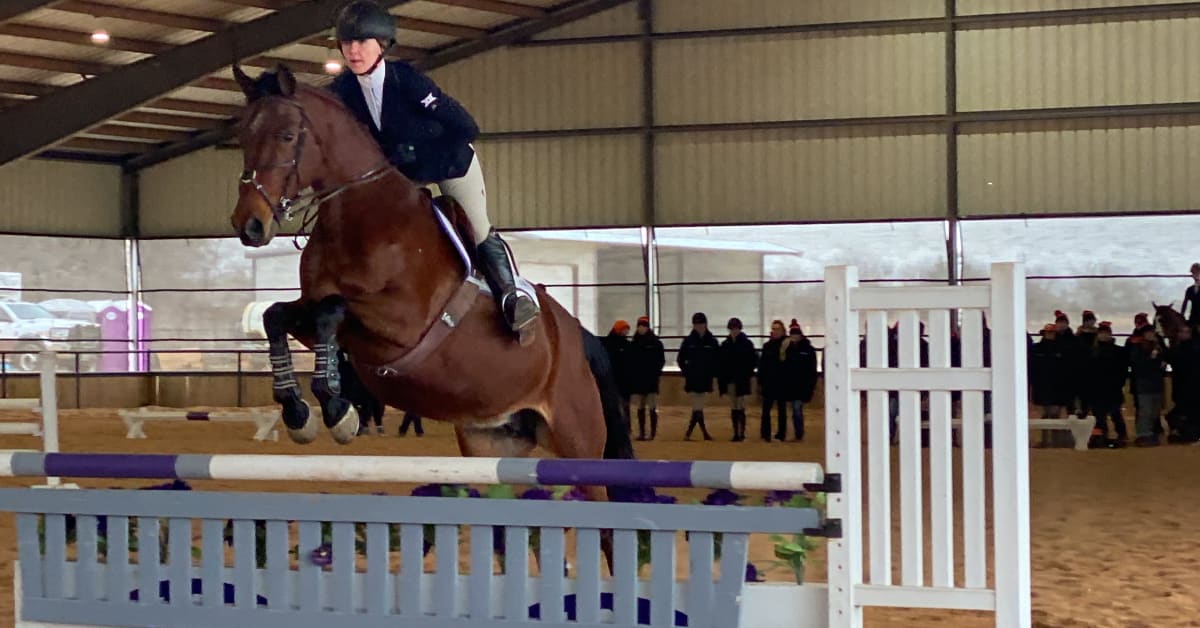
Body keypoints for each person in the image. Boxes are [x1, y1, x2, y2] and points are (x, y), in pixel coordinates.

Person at [328, 0, 538, 334]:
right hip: (401, 178)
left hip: (449, 164)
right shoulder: (341, 91)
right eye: (347, 43)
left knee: (478, 228)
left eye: (362, 42)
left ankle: (512, 297)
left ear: (381, 45)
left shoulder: (408, 81)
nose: (353, 51)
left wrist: (417, 147)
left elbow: (466, 127)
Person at [677, 312, 719, 440]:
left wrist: (712, 372)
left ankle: (693, 432)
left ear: (705, 324)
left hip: (705, 377)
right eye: (696, 324)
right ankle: (699, 432)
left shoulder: (712, 341)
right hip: (693, 378)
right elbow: (680, 358)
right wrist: (687, 371)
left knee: (698, 406)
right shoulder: (688, 341)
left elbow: (717, 359)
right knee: (698, 406)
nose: (699, 326)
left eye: (701, 324)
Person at [717, 317, 757, 442]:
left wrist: (747, 373)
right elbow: (721, 365)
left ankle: (741, 432)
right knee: (734, 406)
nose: (734, 331)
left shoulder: (746, 344)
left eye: (735, 329)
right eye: (732, 329)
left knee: (740, 405)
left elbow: (753, 360)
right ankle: (736, 432)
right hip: (731, 380)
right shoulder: (726, 345)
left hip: (741, 379)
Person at [627, 316, 665, 441]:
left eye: (643, 326)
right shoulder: (634, 343)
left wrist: (655, 373)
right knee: (640, 407)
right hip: (638, 381)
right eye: (639, 326)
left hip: (651, 380)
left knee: (652, 406)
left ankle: (652, 433)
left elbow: (661, 360)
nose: (641, 329)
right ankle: (642, 432)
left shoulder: (655, 343)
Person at [1183, 263, 1200, 328]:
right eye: (1193, 273)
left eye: (1197, 272)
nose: (1194, 275)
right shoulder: (1189, 290)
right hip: (1193, 320)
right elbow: (1184, 304)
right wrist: (1181, 316)